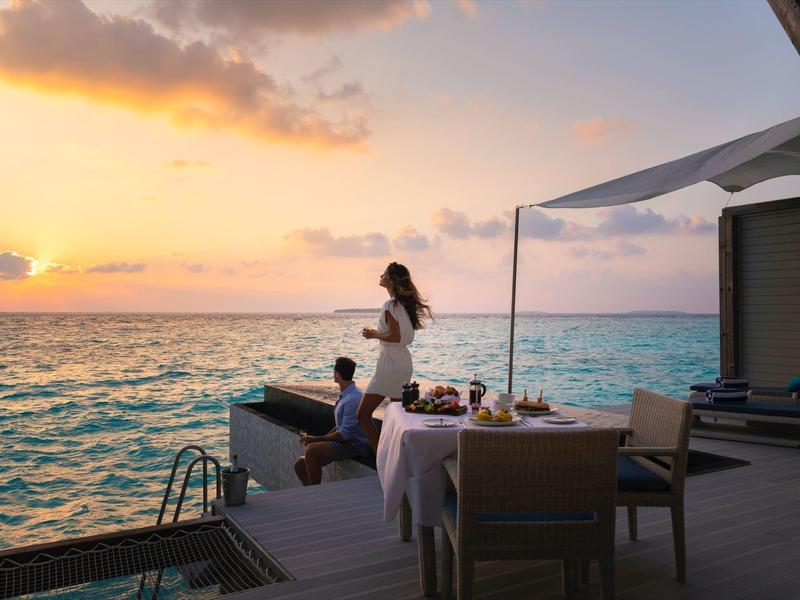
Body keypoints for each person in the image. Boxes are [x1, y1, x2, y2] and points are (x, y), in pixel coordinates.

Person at [358, 262, 432, 452]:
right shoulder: (403, 305)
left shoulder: (390, 305)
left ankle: (381, 457)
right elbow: (399, 335)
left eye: (383, 274)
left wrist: (374, 334)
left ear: (390, 280)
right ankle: (399, 456)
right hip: (403, 362)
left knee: (363, 415)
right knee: (398, 416)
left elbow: (395, 336)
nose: (380, 276)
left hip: (390, 364)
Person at [294, 357, 371, 486]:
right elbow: (340, 426)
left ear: (338, 374)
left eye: (334, 371)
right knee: (299, 465)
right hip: (345, 441)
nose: (333, 374)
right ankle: (310, 494)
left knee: (311, 450)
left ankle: (316, 494)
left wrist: (316, 439)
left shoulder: (353, 398)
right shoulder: (347, 394)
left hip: (354, 445)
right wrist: (321, 439)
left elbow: (344, 435)